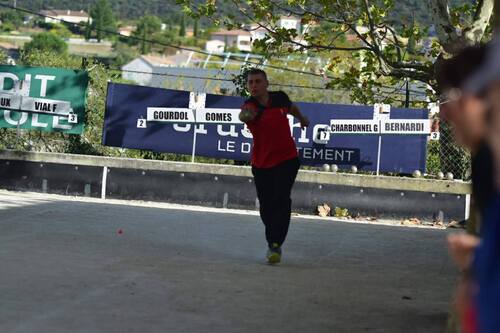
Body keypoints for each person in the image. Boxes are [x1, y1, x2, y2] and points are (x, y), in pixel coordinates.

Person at [239, 68, 309, 264]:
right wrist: (245, 117)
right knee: (267, 206)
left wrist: (302, 119)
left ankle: (275, 244)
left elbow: (292, 107)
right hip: (262, 163)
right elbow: (244, 115)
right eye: (251, 82)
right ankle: (274, 235)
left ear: (266, 83)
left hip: (287, 159)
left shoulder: (279, 98)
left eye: (258, 81)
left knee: (281, 199)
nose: (254, 85)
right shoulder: (250, 106)